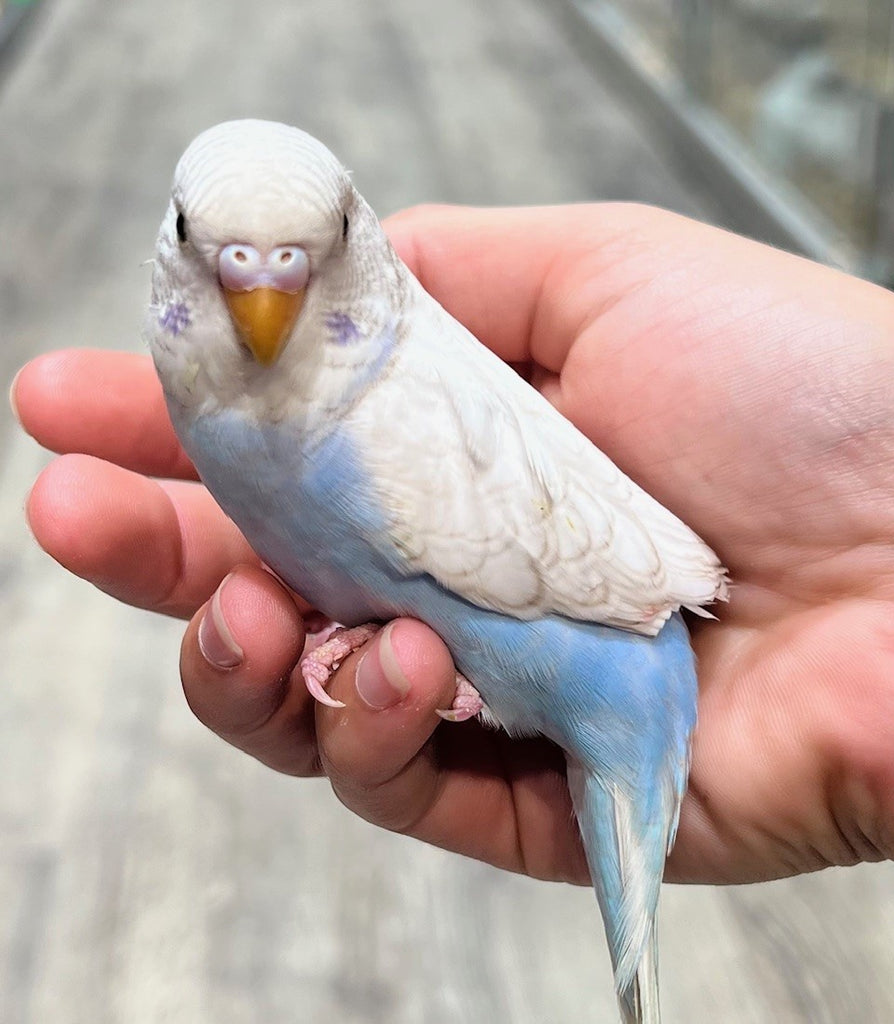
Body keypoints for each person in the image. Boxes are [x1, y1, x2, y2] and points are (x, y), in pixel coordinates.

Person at [12, 203, 894, 885]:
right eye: (207, 251)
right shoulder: (253, 401)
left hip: (621, 655)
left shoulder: (389, 404)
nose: (260, 298)